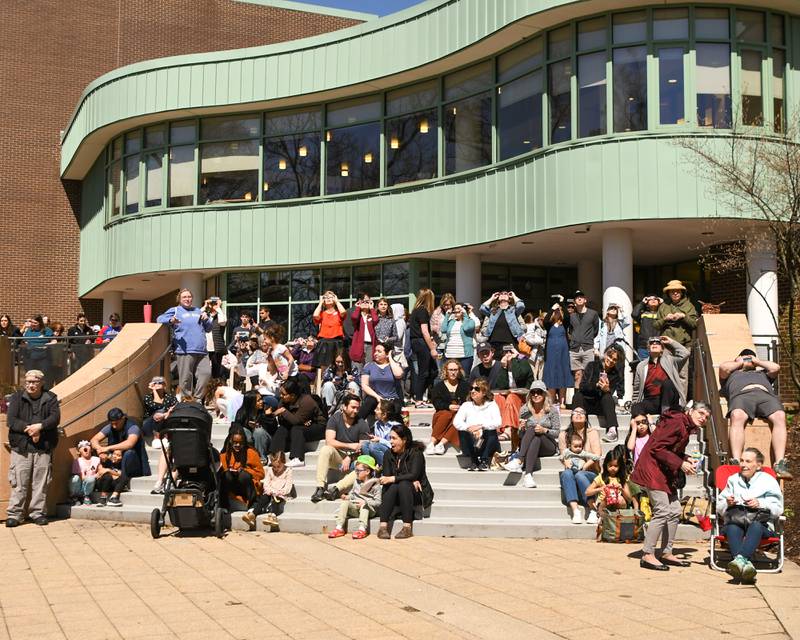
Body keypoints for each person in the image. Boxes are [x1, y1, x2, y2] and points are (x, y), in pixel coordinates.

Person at [631, 402, 711, 571]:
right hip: (652, 469)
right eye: (701, 413)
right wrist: (680, 463)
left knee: (674, 510)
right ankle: (647, 554)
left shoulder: (685, 425)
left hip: (664, 472)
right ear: (691, 411)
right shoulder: (677, 421)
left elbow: (669, 447)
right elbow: (657, 448)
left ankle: (666, 552)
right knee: (662, 510)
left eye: (706, 417)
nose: (703, 418)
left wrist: (685, 457)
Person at [719, 349, 791, 479]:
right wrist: (739, 362)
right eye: (744, 358)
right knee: (737, 416)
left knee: (780, 416)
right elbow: (723, 367)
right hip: (742, 396)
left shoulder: (762, 373)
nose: (748, 360)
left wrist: (757, 361)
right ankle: (736, 461)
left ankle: (779, 463)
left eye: (750, 358)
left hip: (765, 396)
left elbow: (776, 367)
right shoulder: (731, 374)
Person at [717, 448, 784, 584]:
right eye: (741, 460)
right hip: (737, 519)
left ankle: (739, 560)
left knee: (756, 526)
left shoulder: (768, 481)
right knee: (732, 527)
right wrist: (727, 503)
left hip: (761, 524)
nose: (743, 464)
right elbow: (719, 506)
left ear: (758, 465)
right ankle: (745, 565)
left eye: (748, 461)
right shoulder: (733, 480)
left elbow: (778, 508)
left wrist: (760, 503)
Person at [5, 370, 60, 527]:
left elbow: (55, 418)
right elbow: (11, 420)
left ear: (41, 382)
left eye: (34, 382)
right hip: (21, 447)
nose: (30, 384)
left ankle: (37, 513)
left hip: (43, 447)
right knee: (18, 482)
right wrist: (30, 429)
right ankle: (15, 515)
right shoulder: (17, 397)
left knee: (41, 483)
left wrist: (40, 427)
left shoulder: (51, 398)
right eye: (28, 381)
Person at [468, 344, 532, 447]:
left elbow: (520, 375)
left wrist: (516, 359)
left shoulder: (522, 362)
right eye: (505, 352)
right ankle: (497, 429)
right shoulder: (498, 367)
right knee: (498, 398)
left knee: (510, 397)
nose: (508, 355)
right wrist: (504, 367)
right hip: (505, 397)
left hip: (523, 396)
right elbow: (501, 385)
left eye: (510, 352)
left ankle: (508, 429)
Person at [311, 394, 370, 502]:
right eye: (353, 407)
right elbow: (329, 441)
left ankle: (335, 489)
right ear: (344, 407)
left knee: (362, 467)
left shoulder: (362, 423)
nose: (356, 411)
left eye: (358, 408)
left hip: (355, 460)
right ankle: (320, 487)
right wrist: (349, 446)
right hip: (339, 457)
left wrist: (350, 457)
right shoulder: (334, 419)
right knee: (325, 449)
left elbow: (364, 448)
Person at [377, 424, 432, 539]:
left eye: (394, 438)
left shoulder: (416, 453)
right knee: (394, 485)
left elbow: (414, 474)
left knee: (403, 484)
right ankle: (383, 527)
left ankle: (407, 527)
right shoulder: (388, 454)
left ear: (404, 440)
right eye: (390, 438)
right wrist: (407, 478)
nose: (391, 442)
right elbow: (387, 476)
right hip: (395, 492)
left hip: (417, 492)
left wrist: (397, 478)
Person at [156, 289, 213, 400]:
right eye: (184, 297)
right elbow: (159, 319)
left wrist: (206, 319)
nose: (187, 299)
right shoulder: (176, 310)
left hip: (202, 350)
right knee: (186, 379)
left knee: (206, 374)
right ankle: (186, 401)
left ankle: (197, 399)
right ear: (180, 299)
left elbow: (209, 328)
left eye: (189, 297)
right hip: (185, 350)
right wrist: (171, 320)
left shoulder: (198, 311)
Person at [502, 381, 560, 488]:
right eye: (533, 392)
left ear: (544, 394)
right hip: (532, 444)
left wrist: (544, 430)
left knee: (534, 430)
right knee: (534, 437)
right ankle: (528, 475)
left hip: (548, 444)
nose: (536, 395)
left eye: (539, 392)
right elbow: (520, 436)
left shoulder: (552, 410)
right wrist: (521, 428)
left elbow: (556, 433)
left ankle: (519, 459)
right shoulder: (524, 409)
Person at [89, 407, 151, 507]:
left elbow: (130, 443)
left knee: (129, 453)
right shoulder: (110, 427)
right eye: (112, 423)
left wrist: (108, 448)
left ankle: (115, 493)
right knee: (96, 451)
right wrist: (100, 451)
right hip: (115, 461)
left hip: (133, 463)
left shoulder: (133, 427)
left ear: (123, 418)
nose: (113, 426)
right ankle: (105, 485)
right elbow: (94, 440)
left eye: (116, 423)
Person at [654, 280, 698, 399]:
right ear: (668, 293)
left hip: (684, 345)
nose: (675, 294)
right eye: (672, 292)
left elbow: (694, 324)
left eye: (677, 291)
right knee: (665, 373)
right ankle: (666, 401)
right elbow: (656, 325)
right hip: (667, 346)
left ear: (682, 292)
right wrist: (665, 319)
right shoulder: (663, 306)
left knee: (682, 375)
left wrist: (684, 316)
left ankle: (681, 403)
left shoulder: (689, 306)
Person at [558, 407, 602, 525]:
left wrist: (584, 467)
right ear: (571, 417)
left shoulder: (592, 433)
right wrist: (567, 463)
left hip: (589, 471)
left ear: (586, 417)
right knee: (567, 473)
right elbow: (563, 456)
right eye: (575, 413)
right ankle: (575, 511)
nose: (578, 414)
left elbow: (597, 454)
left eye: (582, 413)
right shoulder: (564, 434)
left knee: (580, 475)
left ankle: (593, 509)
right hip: (571, 470)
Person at [271, 378, 327, 468]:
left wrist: (284, 412)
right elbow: (283, 421)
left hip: (317, 426)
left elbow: (296, 421)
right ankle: (275, 456)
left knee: (297, 429)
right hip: (301, 426)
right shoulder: (283, 401)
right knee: (282, 428)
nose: (281, 396)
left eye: (284, 394)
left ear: (292, 395)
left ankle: (298, 458)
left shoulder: (306, 401)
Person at [573, 346, 623, 442]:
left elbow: (611, 391)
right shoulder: (592, 365)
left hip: (601, 405)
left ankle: (612, 430)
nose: (611, 360)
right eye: (609, 356)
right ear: (605, 355)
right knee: (577, 396)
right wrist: (596, 385)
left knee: (608, 396)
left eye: (614, 359)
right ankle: (577, 429)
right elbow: (582, 386)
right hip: (587, 402)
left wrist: (607, 389)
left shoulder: (616, 374)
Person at [328, 454, 382, 539]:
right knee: (345, 503)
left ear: (367, 471)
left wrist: (366, 502)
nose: (356, 472)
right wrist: (348, 497)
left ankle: (362, 529)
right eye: (355, 470)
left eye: (358, 470)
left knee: (364, 506)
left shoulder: (375, 484)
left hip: (369, 509)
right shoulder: (357, 481)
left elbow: (378, 502)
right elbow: (353, 495)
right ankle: (339, 527)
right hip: (356, 507)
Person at [454, 377, 502, 472]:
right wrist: (469, 429)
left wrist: (481, 427)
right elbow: (457, 422)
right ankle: (474, 461)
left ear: (484, 392)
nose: (472, 391)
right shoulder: (466, 405)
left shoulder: (492, 405)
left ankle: (484, 461)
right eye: (471, 388)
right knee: (463, 432)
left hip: (487, 442)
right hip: (471, 442)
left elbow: (498, 422)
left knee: (490, 431)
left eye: (476, 389)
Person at [632, 335, 688, 415]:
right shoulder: (641, 366)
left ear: (662, 348)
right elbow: (636, 390)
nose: (654, 343)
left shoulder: (669, 360)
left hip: (668, 399)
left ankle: (665, 414)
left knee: (668, 383)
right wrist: (635, 403)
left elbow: (685, 353)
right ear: (648, 348)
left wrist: (671, 342)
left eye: (657, 343)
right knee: (636, 407)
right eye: (651, 343)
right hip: (650, 400)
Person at [241, 451, 294, 531]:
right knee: (264, 498)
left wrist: (278, 492)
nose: (276, 469)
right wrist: (269, 490)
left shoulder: (288, 471)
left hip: (280, 493)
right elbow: (266, 483)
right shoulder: (270, 470)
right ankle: (252, 514)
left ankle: (273, 516)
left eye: (278, 466)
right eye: (274, 467)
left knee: (276, 500)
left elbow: (288, 487)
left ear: (284, 462)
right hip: (270, 492)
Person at [427, 359, 470, 455]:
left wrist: (460, 407)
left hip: (459, 412)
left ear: (459, 371)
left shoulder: (465, 385)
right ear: (446, 371)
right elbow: (436, 402)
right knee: (446, 415)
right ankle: (432, 443)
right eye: (451, 370)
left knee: (458, 419)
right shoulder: (439, 386)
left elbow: (468, 401)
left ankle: (441, 443)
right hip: (443, 412)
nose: (453, 372)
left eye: (455, 370)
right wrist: (448, 406)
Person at [219, 425, 265, 511]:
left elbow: (261, 474)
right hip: (232, 486)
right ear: (230, 441)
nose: (238, 445)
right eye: (235, 442)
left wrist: (245, 471)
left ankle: (253, 505)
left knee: (243, 475)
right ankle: (224, 506)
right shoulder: (224, 455)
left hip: (246, 486)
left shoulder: (251, 453)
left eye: (240, 443)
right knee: (226, 475)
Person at [359, 343, 404, 421]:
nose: (375, 353)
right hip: (375, 397)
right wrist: (377, 397)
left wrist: (390, 357)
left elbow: (398, 374)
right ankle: (355, 425)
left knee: (395, 408)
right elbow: (364, 385)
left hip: (392, 398)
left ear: (386, 353)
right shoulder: (369, 366)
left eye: (379, 351)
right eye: (375, 351)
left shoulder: (395, 365)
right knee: (369, 402)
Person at [409, 288, 438, 405]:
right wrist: (432, 348)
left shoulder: (416, 310)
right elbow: (425, 331)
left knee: (433, 371)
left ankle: (418, 394)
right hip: (421, 343)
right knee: (424, 372)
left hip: (417, 342)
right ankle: (419, 398)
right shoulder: (422, 311)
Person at [585, 448, 633, 518]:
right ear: (606, 465)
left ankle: (617, 516)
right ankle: (602, 515)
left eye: (616, 466)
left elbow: (629, 498)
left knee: (620, 499)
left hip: (617, 505)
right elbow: (587, 492)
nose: (613, 468)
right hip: (604, 504)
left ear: (620, 466)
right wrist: (600, 489)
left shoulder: (622, 479)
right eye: (610, 465)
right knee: (606, 498)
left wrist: (621, 489)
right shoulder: (601, 477)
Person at [313, 291, 346, 388]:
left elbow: (344, 312)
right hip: (324, 342)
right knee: (323, 367)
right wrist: (320, 303)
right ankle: (321, 388)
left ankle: (339, 386)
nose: (328, 298)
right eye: (326, 297)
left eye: (331, 297)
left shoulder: (338, 313)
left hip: (337, 342)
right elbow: (315, 316)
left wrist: (337, 301)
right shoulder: (322, 314)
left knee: (338, 365)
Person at [568, 290, 600, 390]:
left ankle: (587, 400)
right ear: (574, 302)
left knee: (588, 375)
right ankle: (577, 399)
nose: (579, 298)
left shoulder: (593, 314)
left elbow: (596, 330)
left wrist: (587, 339)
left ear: (585, 300)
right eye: (577, 297)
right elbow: (570, 330)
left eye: (581, 297)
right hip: (574, 349)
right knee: (577, 375)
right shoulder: (572, 316)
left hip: (588, 348)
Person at [542, 303, 573, 406]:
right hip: (551, 354)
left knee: (562, 374)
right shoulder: (549, 325)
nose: (557, 312)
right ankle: (551, 401)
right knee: (551, 375)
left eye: (559, 312)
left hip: (563, 354)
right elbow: (545, 320)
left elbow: (568, 317)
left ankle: (562, 402)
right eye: (556, 312)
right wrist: (552, 308)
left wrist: (562, 304)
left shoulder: (564, 324)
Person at [232, 390, 273, 461]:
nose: (261, 402)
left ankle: (261, 458)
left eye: (261, 399)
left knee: (258, 431)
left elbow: (272, 427)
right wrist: (247, 425)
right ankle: (248, 456)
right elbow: (236, 426)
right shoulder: (242, 412)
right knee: (244, 430)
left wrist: (265, 417)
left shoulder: (266, 409)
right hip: (249, 439)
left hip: (264, 440)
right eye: (258, 400)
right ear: (251, 402)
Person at [362, 399, 401, 466]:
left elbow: (397, 445)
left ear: (384, 414)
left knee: (373, 447)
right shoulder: (377, 424)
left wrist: (380, 440)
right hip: (382, 450)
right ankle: (371, 468)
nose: (374, 411)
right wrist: (374, 438)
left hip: (393, 452)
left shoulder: (395, 426)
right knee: (364, 445)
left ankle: (388, 468)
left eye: (377, 409)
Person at [441, 302, 476, 375]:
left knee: (464, 377)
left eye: (459, 308)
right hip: (450, 354)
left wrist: (465, 315)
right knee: (450, 376)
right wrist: (447, 316)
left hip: (464, 356)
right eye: (455, 308)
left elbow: (466, 328)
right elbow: (443, 329)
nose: (456, 310)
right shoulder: (451, 322)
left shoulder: (470, 321)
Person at [142, 375, 177, 443]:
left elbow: (176, 409)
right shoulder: (148, 397)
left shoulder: (170, 397)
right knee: (159, 412)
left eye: (160, 382)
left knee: (165, 415)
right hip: (149, 425)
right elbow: (158, 406)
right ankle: (157, 437)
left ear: (165, 385)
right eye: (155, 383)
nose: (157, 384)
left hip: (166, 423)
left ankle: (165, 436)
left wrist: (165, 415)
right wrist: (154, 390)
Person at [349, 293, 378, 370]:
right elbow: (354, 318)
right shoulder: (357, 315)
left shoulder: (372, 315)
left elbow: (375, 320)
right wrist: (358, 307)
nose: (365, 303)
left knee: (369, 369)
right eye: (363, 301)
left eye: (367, 301)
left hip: (370, 345)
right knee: (357, 370)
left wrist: (372, 308)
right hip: (358, 345)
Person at [632, 294, 663, 361]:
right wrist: (642, 303)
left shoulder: (662, 313)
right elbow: (634, 314)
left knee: (657, 368)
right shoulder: (643, 313)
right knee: (643, 368)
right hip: (644, 347)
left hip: (658, 345)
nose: (653, 300)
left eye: (655, 299)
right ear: (647, 302)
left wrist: (663, 304)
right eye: (650, 299)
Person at [70, 440, 100, 505]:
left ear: (91, 449)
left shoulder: (96, 459)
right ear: (79, 451)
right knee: (75, 478)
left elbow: (100, 469)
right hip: (79, 483)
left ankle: (86, 496)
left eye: (87, 445)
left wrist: (98, 474)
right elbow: (80, 475)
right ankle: (74, 497)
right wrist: (85, 475)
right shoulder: (77, 461)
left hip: (90, 482)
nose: (85, 447)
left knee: (91, 479)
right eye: (82, 446)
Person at [205, 298, 228, 379]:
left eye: (214, 304)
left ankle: (215, 388)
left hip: (216, 348)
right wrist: (205, 306)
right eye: (212, 304)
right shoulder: (206, 316)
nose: (213, 306)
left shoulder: (220, 316)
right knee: (204, 371)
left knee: (216, 371)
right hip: (205, 348)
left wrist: (218, 307)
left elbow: (223, 321)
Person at [522, 311, 547, 381]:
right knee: (533, 377)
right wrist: (543, 341)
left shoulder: (546, 328)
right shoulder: (531, 326)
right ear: (539, 319)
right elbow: (529, 339)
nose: (545, 322)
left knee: (541, 378)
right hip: (532, 356)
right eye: (543, 320)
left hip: (543, 356)